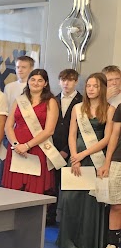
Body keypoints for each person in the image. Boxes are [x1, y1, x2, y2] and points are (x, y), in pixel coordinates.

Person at [56, 73, 114, 248]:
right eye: (88, 85)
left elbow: (107, 138)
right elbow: (72, 134)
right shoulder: (78, 108)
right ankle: (69, 241)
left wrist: (83, 154)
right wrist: (75, 157)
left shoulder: (110, 109)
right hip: (76, 160)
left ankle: (87, 243)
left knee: (91, 202)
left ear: (102, 88)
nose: (90, 89)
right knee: (70, 199)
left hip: (95, 158)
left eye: (95, 86)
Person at [2, 68, 59, 194]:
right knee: (14, 190)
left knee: (34, 189)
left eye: (40, 80)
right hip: (16, 148)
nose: (36, 83)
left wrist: (27, 146)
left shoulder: (51, 102)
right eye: (33, 79)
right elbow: (8, 126)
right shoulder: (19, 100)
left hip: (38, 148)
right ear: (28, 81)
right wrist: (16, 145)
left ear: (45, 83)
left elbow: (49, 131)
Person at [51, 69, 82, 222]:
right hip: (52, 148)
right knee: (52, 184)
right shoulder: (53, 100)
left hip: (72, 150)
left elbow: (80, 131)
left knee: (69, 186)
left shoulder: (82, 101)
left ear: (76, 82)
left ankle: (67, 220)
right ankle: (50, 216)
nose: (66, 83)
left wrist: (66, 150)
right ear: (59, 82)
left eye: (70, 80)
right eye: (63, 80)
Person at [96, 101, 121, 248]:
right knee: (116, 204)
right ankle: (113, 247)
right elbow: (115, 135)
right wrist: (107, 162)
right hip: (119, 160)